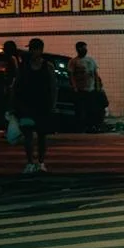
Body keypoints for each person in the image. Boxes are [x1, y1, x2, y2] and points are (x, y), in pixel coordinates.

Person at [12, 37, 58, 174]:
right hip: (27, 105)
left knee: (42, 135)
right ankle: (30, 162)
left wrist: (53, 105)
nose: (31, 51)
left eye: (34, 48)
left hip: (43, 105)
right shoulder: (24, 66)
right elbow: (17, 85)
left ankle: (41, 162)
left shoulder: (47, 66)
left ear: (40, 50)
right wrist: (15, 103)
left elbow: (53, 87)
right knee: (28, 135)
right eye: (30, 48)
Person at [68, 40, 105, 132]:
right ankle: (81, 127)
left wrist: (97, 86)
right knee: (80, 110)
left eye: (85, 47)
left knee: (91, 109)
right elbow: (71, 75)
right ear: (78, 49)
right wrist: (75, 87)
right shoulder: (73, 61)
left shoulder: (91, 60)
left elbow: (95, 74)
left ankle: (91, 126)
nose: (85, 49)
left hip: (91, 89)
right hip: (80, 90)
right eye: (83, 48)